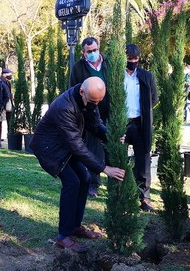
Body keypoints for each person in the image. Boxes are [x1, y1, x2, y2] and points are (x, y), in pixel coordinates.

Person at [29, 77, 125, 253]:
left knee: (85, 178)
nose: (95, 105)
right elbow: (77, 145)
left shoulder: (88, 100)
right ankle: (63, 236)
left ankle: (75, 227)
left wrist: (111, 136)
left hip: (65, 146)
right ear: (82, 92)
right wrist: (104, 168)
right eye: (93, 101)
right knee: (72, 182)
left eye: (99, 101)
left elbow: (95, 125)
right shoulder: (64, 107)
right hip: (51, 149)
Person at [69, 37, 111, 198]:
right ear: (83, 52)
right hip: (90, 114)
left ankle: (115, 182)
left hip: (109, 112)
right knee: (93, 149)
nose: (92, 53)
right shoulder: (78, 68)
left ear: (98, 47)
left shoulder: (108, 63)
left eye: (94, 50)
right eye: (89, 52)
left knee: (110, 146)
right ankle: (93, 184)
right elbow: (74, 89)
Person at [124, 44, 159, 212]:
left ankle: (144, 197)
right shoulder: (117, 76)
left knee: (143, 162)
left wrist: (143, 112)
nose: (132, 62)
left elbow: (154, 98)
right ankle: (120, 193)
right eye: (129, 59)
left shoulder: (146, 76)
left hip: (139, 124)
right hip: (122, 123)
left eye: (135, 59)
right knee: (118, 159)